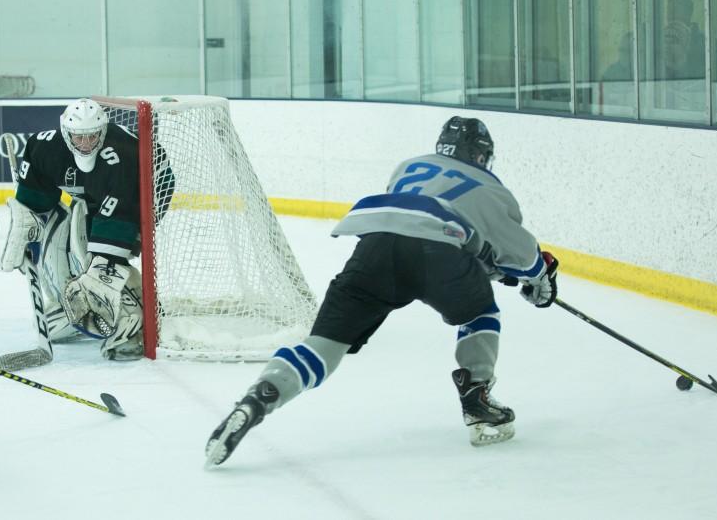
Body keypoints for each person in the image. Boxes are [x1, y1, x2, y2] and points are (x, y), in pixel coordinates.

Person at [204, 116, 560, 467]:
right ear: (481, 155)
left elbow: (418, 223)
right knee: (479, 312)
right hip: (437, 256)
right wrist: (539, 280)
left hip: (375, 250)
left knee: (324, 348)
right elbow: (523, 257)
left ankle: (262, 395)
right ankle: (477, 399)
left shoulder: (409, 167)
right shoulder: (491, 187)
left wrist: (488, 263)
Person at [0, 98, 173, 362]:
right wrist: (26, 227)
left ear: (102, 131)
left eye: (92, 136)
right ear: (65, 133)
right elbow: (35, 204)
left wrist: (100, 268)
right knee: (67, 246)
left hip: (148, 186)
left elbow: (117, 221)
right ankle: (76, 305)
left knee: (101, 263)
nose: (86, 144)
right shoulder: (44, 147)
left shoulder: (120, 155)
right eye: (78, 138)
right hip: (97, 194)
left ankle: (135, 316)